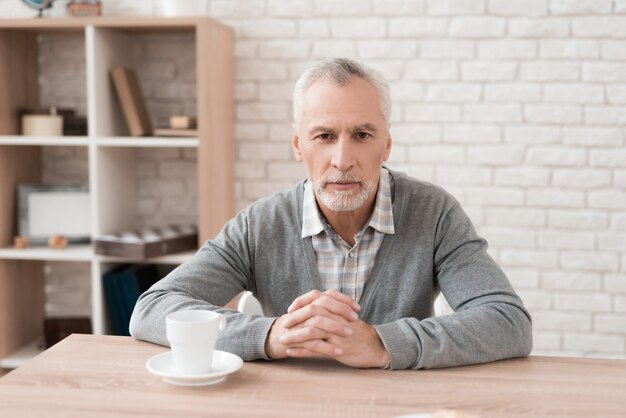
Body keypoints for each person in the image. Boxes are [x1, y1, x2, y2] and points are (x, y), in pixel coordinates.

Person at [130, 58, 532, 370]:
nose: (342, 160)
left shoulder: (435, 213)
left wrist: (380, 343)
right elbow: (152, 309)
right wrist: (271, 335)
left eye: (362, 135)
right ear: (298, 145)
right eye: (324, 136)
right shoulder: (260, 225)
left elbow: (508, 323)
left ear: (386, 144)